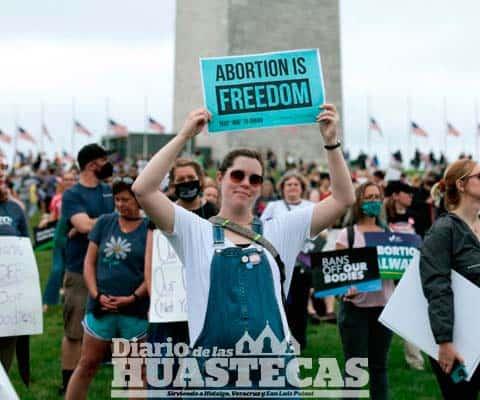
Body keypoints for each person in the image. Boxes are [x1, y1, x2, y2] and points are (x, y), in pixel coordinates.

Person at [133, 104, 355, 395]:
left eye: (255, 179)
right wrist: (185, 134)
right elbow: (143, 190)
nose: (246, 184)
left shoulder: (280, 229)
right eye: (237, 175)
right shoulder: (194, 231)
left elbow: (343, 198)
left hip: (274, 375)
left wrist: (331, 141)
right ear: (221, 177)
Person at [65, 176, 150, 400]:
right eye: (117, 199)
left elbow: (151, 270)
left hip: (135, 309)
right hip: (101, 307)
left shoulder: (149, 227)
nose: (121, 204)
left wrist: (133, 297)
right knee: (87, 363)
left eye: (127, 199)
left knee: (136, 370)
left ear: (139, 200)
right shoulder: (104, 222)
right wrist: (96, 294)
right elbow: (89, 262)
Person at [420, 159, 480, 399]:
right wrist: (445, 341)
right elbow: (437, 286)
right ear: (462, 185)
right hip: (457, 341)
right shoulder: (443, 231)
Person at [59, 144, 114, 394]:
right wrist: (104, 224)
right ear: (93, 164)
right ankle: (67, 381)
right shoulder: (73, 194)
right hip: (79, 270)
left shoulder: (108, 190)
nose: (109, 164)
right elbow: (82, 225)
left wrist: (92, 225)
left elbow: (124, 218)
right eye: (104, 160)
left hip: (108, 270)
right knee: (73, 331)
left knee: (108, 325)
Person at [336, 182, 395, 400]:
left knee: (379, 367)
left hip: (383, 309)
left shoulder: (389, 233)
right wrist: (345, 289)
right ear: (359, 201)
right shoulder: (347, 235)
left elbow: (398, 272)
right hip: (355, 309)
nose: (373, 201)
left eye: (376, 197)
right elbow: (338, 276)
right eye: (368, 197)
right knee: (355, 367)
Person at [260, 171, 316, 349]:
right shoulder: (274, 206)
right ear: (282, 188)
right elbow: (263, 229)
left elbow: (320, 232)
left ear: (302, 188)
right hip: (278, 263)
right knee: (280, 302)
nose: (292, 187)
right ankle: (281, 338)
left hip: (303, 263)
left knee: (301, 303)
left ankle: (300, 341)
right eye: (288, 185)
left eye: (296, 184)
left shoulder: (310, 206)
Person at [384, 180, 425, 371]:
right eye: (406, 193)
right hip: (386, 274)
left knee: (412, 315)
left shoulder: (417, 216)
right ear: (395, 195)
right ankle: (374, 356)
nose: (410, 196)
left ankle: (415, 360)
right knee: (382, 315)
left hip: (410, 273)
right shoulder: (382, 218)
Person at [0, 154, 30, 374]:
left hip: (9, 294)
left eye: (4, 167)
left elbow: (25, 250)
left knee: (6, 350)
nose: (2, 172)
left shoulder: (15, 209)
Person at [42, 171, 77, 310]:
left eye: (72, 179)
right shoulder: (57, 198)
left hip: (75, 237)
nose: (69, 182)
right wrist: (45, 221)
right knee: (57, 269)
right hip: (60, 236)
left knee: (72, 270)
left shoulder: (79, 197)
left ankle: (68, 298)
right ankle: (47, 301)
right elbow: (53, 216)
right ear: (62, 181)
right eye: (66, 179)